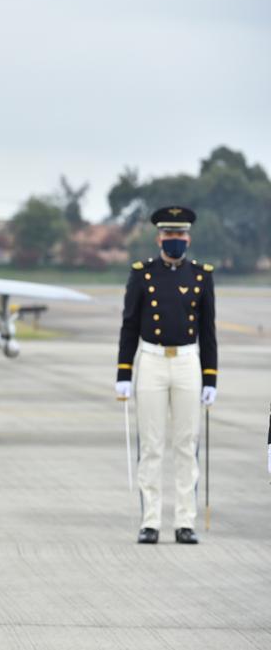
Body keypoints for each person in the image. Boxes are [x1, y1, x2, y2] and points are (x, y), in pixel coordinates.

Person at [116, 206, 217, 545]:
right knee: (152, 445)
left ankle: (185, 521)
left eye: (180, 234)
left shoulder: (201, 275)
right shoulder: (142, 274)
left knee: (187, 445)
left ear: (188, 237)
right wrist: (124, 371)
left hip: (187, 361)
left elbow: (208, 331)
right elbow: (129, 325)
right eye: (169, 234)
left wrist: (210, 377)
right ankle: (151, 521)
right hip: (152, 361)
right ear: (159, 238)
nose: (175, 239)